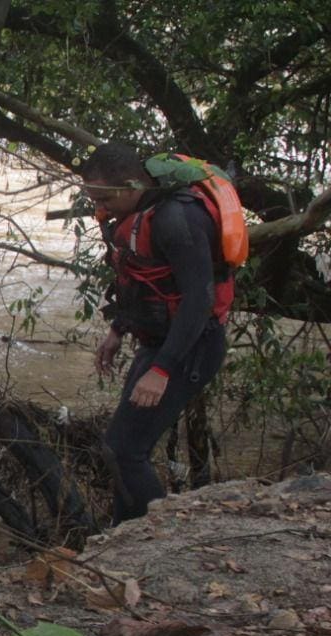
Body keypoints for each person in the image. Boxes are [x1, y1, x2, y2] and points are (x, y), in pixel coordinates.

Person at [82, 142, 235, 524]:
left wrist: (162, 369)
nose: (100, 209)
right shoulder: (137, 213)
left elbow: (198, 302)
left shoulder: (176, 221)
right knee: (122, 448)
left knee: (125, 449)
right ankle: (123, 534)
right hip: (158, 343)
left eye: (104, 199)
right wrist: (118, 328)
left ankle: (160, 535)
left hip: (191, 347)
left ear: (133, 184)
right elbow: (142, 281)